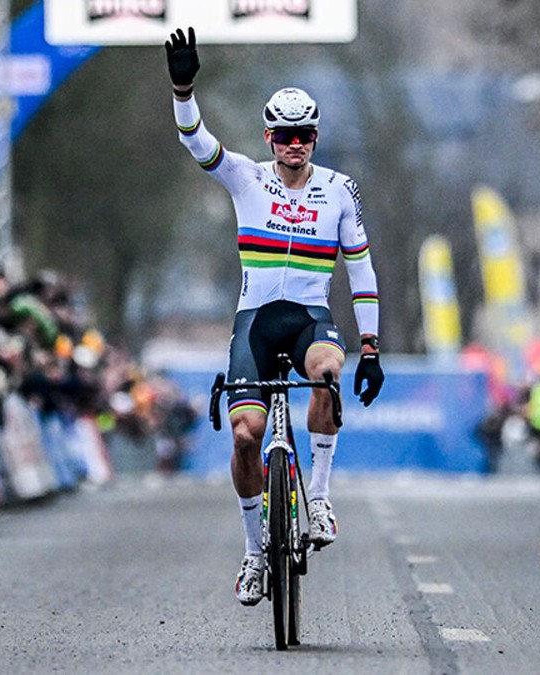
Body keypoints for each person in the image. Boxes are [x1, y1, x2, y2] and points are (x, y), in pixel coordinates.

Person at [165, 28, 385, 606]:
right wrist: (183, 89)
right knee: (245, 437)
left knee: (325, 374)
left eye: (305, 135)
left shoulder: (340, 190)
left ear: (315, 137)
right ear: (269, 137)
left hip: (311, 315)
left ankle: (318, 496)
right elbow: (195, 141)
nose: (295, 145)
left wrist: (371, 345)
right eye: (285, 136)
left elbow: (360, 270)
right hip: (255, 322)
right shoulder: (246, 176)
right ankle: (254, 554)